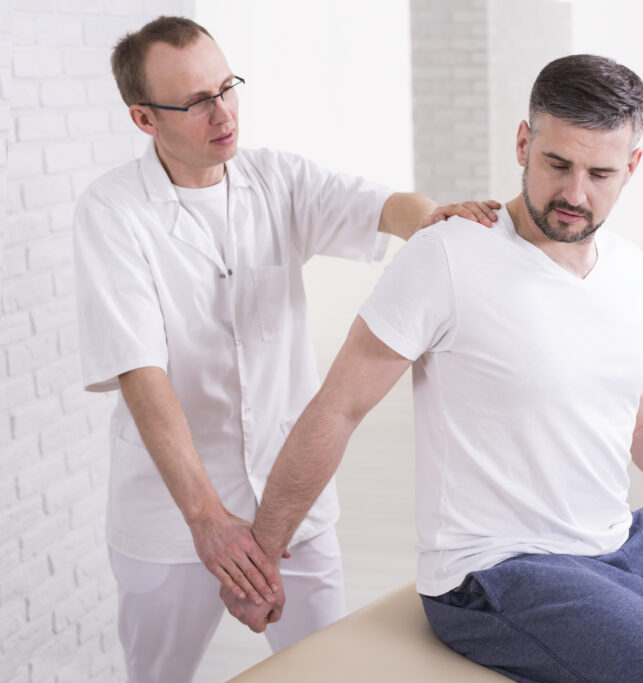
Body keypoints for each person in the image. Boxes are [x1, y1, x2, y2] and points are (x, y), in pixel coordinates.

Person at [226, 55, 643, 681]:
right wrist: (264, 555)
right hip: (499, 570)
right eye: (558, 164)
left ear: (632, 166)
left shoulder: (627, 267)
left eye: (601, 173)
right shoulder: (448, 255)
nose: (576, 194)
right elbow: (339, 407)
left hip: (622, 540)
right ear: (523, 143)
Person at [73, 15, 499, 683]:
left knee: (329, 669)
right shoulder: (111, 211)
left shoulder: (277, 179)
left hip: (291, 498)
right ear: (144, 119)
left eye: (227, 87)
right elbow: (140, 372)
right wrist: (206, 519)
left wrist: (430, 219)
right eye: (197, 101)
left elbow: (383, 206)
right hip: (171, 513)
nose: (224, 112)